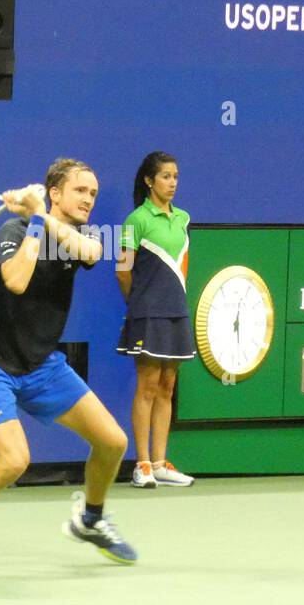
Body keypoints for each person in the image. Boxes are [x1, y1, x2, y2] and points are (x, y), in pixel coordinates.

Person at [0, 159, 136, 573]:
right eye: (80, 191)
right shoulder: (11, 231)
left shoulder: (83, 235)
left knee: (112, 441)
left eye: (93, 193)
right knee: (14, 461)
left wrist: (39, 214)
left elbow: (91, 252)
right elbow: (17, 281)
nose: (89, 199)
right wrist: (35, 219)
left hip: (41, 364)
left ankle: (90, 520)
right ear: (55, 193)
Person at [117, 152, 195, 489]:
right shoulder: (136, 220)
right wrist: (139, 305)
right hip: (148, 313)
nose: (173, 182)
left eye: (176, 176)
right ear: (149, 180)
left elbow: (182, 267)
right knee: (147, 387)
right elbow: (123, 269)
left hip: (176, 311)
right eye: (165, 176)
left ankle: (161, 463)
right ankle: (143, 465)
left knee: (167, 387)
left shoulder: (183, 218)